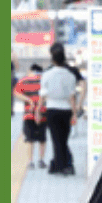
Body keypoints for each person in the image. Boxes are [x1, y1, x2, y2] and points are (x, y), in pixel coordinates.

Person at [40, 44, 83, 177]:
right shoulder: (70, 75)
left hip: (52, 109)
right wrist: (74, 113)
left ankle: (60, 166)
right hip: (66, 110)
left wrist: (37, 111)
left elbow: (42, 94)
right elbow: (72, 96)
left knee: (56, 138)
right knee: (63, 139)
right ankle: (63, 164)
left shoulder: (46, 74)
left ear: (52, 58)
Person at [16, 63, 47, 170]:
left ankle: (30, 162)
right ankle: (41, 160)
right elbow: (47, 95)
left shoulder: (24, 80)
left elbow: (16, 93)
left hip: (29, 113)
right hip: (43, 113)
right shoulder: (44, 80)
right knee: (42, 138)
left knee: (30, 139)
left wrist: (28, 100)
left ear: (30, 70)